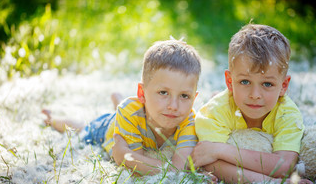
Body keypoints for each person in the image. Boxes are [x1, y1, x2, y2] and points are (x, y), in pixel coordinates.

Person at [43, 39, 202, 176]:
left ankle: (117, 101)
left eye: (184, 96)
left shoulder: (189, 120)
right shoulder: (130, 113)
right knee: (83, 128)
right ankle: (52, 119)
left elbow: (176, 169)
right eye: (163, 92)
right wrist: (129, 159)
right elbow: (136, 169)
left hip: (135, 112)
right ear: (142, 92)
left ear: (194, 98)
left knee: (125, 108)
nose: (174, 106)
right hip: (107, 128)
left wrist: (125, 155)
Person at [191, 24, 312, 184]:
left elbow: (284, 166)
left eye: (267, 84)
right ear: (229, 81)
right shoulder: (215, 111)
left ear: (283, 85)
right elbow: (211, 164)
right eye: (245, 81)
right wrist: (272, 183)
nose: (255, 94)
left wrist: (222, 150)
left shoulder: (287, 113)